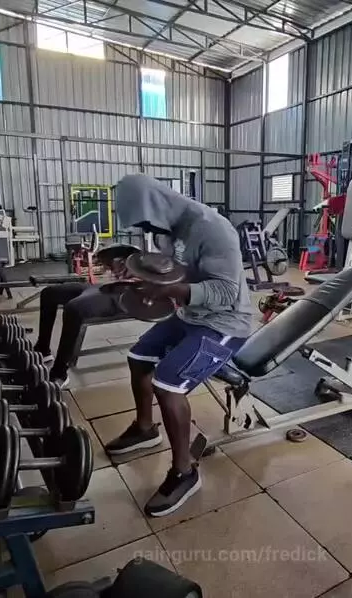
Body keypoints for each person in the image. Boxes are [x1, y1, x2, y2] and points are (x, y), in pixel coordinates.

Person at [105, 174, 253, 517]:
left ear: (157, 206)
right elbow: (175, 272)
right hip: (191, 315)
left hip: (226, 323)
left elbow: (226, 293)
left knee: (168, 384)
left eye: (146, 222)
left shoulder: (213, 229)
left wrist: (170, 290)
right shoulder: (166, 228)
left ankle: (184, 472)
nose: (146, 229)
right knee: (138, 357)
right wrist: (138, 272)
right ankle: (145, 429)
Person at [34, 279, 123, 389]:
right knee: (48, 293)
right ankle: (42, 349)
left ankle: (59, 372)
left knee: (73, 309)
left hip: (125, 296)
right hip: (105, 286)